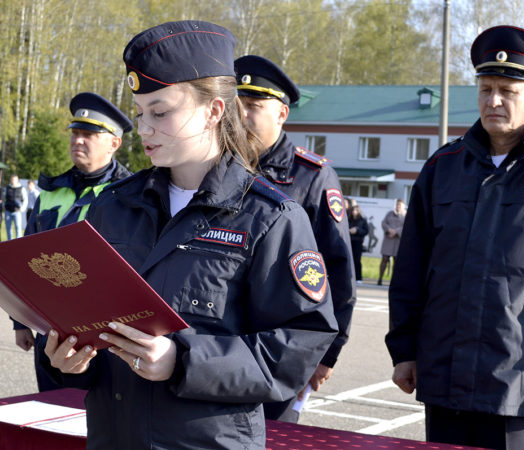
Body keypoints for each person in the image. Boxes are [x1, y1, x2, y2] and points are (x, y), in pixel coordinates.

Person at [42, 21, 338, 448]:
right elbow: (90, 322)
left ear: (215, 110)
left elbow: (296, 348)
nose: (144, 129)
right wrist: (71, 361)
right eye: (141, 113)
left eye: (160, 112)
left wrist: (183, 361)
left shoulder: (269, 217)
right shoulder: (114, 206)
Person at [385, 26, 524, 449]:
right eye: (486, 89)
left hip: (518, 385)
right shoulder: (443, 167)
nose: (494, 101)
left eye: (507, 90)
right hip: (444, 376)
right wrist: (404, 350)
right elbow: (412, 268)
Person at [235, 54, 356, 422]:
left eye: (254, 106)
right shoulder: (218, 168)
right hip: (220, 343)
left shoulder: (312, 176)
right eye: (237, 106)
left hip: (280, 350)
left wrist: (325, 354)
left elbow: (337, 270)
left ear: (282, 114)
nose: (242, 116)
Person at [13, 91, 133, 393]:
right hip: (48, 330)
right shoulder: (52, 193)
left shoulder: (131, 196)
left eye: (89, 134)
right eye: (75, 133)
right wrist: (20, 321)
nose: (78, 141)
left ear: (114, 144)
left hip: (102, 338)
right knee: (51, 414)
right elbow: (20, 259)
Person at [378, 199, 406, 286]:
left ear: (404, 206)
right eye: (397, 205)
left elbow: (406, 226)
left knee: (396, 262)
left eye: (400, 205)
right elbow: (383, 223)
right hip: (388, 239)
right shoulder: (390, 213)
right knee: (384, 259)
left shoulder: (406, 215)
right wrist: (389, 230)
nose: (398, 207)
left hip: (398, 241)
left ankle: (394, 281)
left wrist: (396, 232)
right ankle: (380, 279)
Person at [348, 204, 369, 283]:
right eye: (353, 210)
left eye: (356, 210)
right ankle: (349, 277)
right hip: (349, 241)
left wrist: (357, 230)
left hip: (358, 242)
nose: (354, 212)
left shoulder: (362, 220)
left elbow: (366, 231)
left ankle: (358, 278)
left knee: (357, 260)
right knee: (349, 259)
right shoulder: (348, 219)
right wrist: (349, 230)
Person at [3, 174, 28, 240]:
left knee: (18, 227)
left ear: (17, 180)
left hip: (17, 211)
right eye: (12, 179)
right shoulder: (7, 188)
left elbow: (25, 199)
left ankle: (18, 242)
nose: (13, 181)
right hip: (8, 211)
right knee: (8, 228)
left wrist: (22, 209)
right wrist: (4, 206)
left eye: (15, 179)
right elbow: (3, 198)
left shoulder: (22, 188)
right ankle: (9, 242)